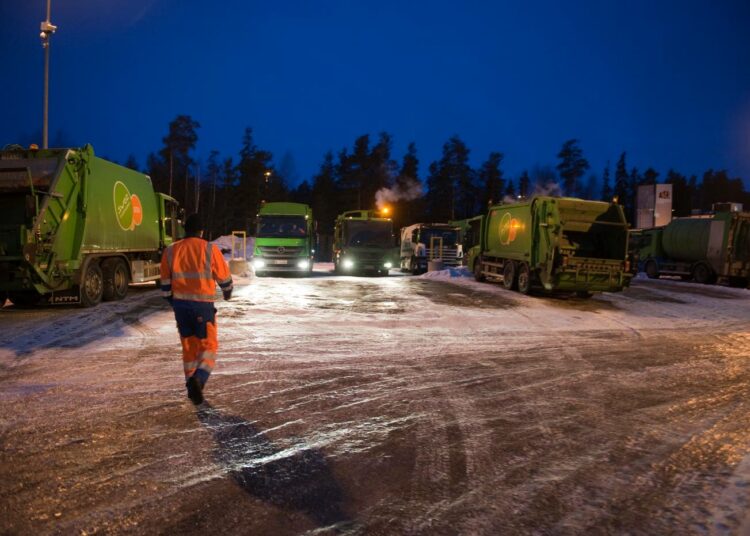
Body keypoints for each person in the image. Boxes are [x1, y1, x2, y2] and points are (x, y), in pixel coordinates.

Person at [160, 214, 233, 404]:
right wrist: (227, 291)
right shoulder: (209, 249)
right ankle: (198, 380)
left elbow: (165, 284)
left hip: (180, 307)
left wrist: (173, 301)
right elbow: (224, 277)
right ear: (201, 231)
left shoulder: (171, 250)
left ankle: (190, 384)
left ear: (185, 229)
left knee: (189, 348)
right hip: (203, 307)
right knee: (209, 346)